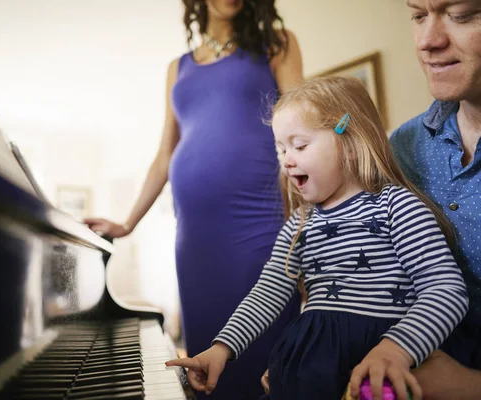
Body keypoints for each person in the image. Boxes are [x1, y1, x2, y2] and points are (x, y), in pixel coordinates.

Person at [165, 76, 469, 400]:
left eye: (300, 145)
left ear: (350, 144)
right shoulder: (301, 223)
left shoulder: (397, 206)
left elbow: (445, 290)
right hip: (307, 371)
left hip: (375, 371)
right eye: (280, 149)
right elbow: (268, 293)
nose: (286, 159)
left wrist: (397, 350)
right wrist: (222, 348)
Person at [84, 1, 304, 398]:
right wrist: (127, 223)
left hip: (258, 218)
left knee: (263, 343)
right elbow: (165, 154)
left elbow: (303, 122)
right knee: (209, 356)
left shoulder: (278, 44)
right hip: (195, 235)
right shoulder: (177, 67)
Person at [388, 1, 481, 399]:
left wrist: (468, 387)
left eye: (461, 15)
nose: (428, 40)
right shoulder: (402, 147)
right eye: (418, 15)